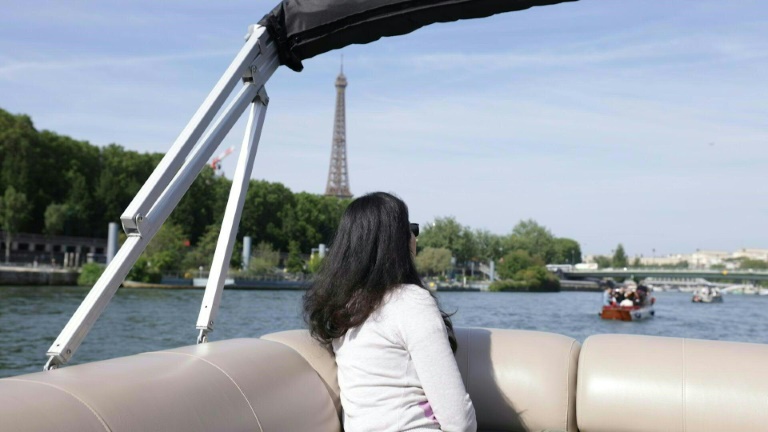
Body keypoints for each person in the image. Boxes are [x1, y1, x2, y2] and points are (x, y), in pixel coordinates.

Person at [303, 192, 477, 432]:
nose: (414, 235)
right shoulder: (410, 302)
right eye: (410, 228)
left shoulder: (342, 308)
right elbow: (458, 421)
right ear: (397, 242)